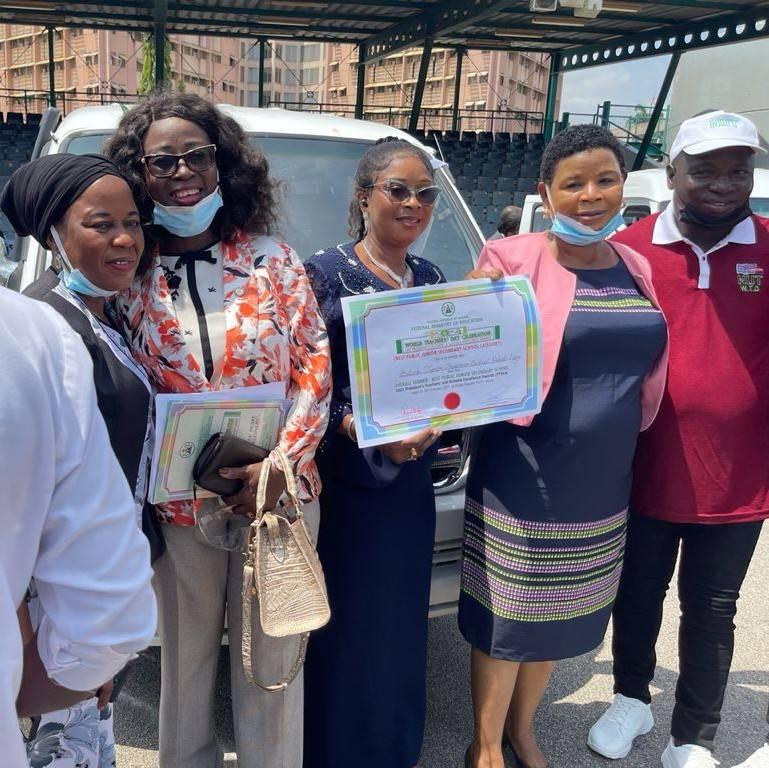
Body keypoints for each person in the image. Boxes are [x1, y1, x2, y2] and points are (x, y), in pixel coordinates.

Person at [104, 91, 331, 768]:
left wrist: (278, 466)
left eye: (195, 155)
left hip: (280, 499)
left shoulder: (273, 260)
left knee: (273, 660)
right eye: (162, 161)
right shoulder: (129, 275)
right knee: (186, 660)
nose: (181, 172)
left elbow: (315, 367)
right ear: (139, 174)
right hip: (180, 504)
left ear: (222, 163)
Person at [460, 124, 669, 768]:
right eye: (573, 183)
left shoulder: (635, 265)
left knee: (558, 613)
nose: (591, 195)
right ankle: (487, 744)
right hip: (525, 467)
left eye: (604, 180)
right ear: (546, 193)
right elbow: (459, 343)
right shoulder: (511, 257)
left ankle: (525, 730)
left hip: (602, 475)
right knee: (510, 613)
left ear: (622, 187)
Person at [588, 111, 769, 768]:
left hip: (738, 474)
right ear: (672, 173)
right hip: (642, 468)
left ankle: (692, 735)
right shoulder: (628, 250)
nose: (723, 182)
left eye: (737, 169)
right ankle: (630, 699)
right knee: (636, 591)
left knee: (711, 608)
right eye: (705, 168)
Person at [0, 152, 161, 768]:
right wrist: (73, 648)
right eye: (100, 224)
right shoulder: (47, 325)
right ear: (52, 237)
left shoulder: (102, 314)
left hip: (81, 578)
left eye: (133, 221)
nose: (125, 239)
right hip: (54, 594)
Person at [302, 137, 444, 768]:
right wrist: (355, 426)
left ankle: (392, 749)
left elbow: (447, 372)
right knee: (347, 624)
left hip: (413, 484)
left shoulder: (434, 278)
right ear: (364, 198)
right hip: (348, 485)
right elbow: (299, 384)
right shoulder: (322, 275)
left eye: (425, 194)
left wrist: (450, 415)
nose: (413, 204)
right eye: (398, 190)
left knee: (400, 623)